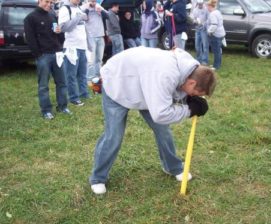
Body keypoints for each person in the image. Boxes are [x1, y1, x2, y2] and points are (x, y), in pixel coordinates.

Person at [89, 46, 217, 194]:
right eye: (197, 93)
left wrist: (187, 98)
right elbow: (161, 114)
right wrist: (189, 110)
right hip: (118, 82)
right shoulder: (165, 74)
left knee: (163, 131)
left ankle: (173, 167)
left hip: (146, 87)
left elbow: (175, 89)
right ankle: (98, 177)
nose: (196, 96)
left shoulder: (191, 68)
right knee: (114, 136)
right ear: (192, 83)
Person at [24, 0, 71, 120]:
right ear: (39, 1)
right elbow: (30, 39)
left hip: (57, 54)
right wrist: (38, 55)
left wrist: (60, 35)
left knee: (62, 83)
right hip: (43, 56)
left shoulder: (52, 15)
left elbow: (60, 35)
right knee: (43, 85)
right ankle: (46, 110)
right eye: (46, 1)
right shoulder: (30, 18)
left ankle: (63, 107)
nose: (49, 4)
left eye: (51, 2)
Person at [58, 0, 90, 107]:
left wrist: (84, 16)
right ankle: (73, 98)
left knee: (82, 74)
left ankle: (84, 93)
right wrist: (78, 17)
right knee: (71, 75)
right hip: (71, 47)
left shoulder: (79, 8)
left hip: (82, 46)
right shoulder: (65, 8)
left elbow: (84, 22)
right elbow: (63, 28)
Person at [84, 0, 107, 81]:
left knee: (99, 59)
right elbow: (83, 18)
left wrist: (101, 10)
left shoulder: (99, 6)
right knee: (91, 60)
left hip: (100, 35)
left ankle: (97, 77)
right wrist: (87, 9)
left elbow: (108, 16)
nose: (93, 3)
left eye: (94, 1)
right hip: (90, 36)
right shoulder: (85, 7)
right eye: (92, 1)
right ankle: (89, 79)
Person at [206, 0, 225, 70]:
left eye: (207, 6)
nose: (207, 7)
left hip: (216, 34)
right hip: (221, 33)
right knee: (218, 51)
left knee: (216, 51)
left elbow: (214, 25)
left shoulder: (212, 14)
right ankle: (216, 64)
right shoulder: (217, 12)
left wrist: (209, 31)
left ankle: (216, 66)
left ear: (210, 6)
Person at [192, 0, 209, 65]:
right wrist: (195, 21)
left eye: (201, 4)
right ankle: (199, 59)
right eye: (199, 4)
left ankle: (205, 60)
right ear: (197, 3)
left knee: (205, 46)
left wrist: (203, 23)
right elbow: (193, 19)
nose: (200, 5)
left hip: (204, 30)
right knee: (197, 45)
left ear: (203, 3)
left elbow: (209, 19)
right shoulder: (195, 10)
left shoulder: (206, 10)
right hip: (197, 30)